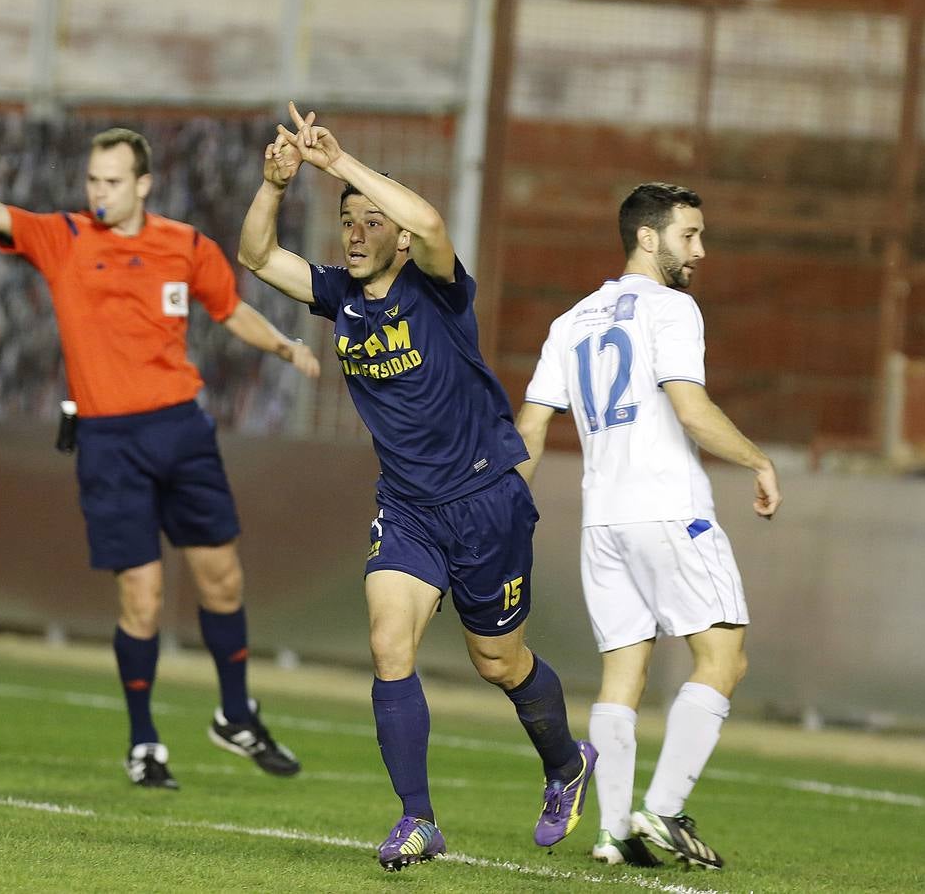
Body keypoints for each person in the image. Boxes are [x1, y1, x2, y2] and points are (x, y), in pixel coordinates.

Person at [0, 127, 319, 790]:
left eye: (110, 181)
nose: (97, 191)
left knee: (223, 580)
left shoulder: (186, 245)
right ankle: (144, 742)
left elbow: (231, 310)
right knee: (143, 597)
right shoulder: (64, 238)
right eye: (92, 180)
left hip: (183, 432)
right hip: (109, 442)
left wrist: (283, 346)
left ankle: (237, 713)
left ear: (143, 184)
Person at [238, 103, 595, 872]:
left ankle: (566, 763)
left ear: (398, 236)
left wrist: (345, 167)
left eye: (373, 221)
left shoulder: (437, 289)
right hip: (407, 509)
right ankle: (418, 819)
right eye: (347, 221)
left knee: (498, 663)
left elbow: (431, 223)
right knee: (387, 644)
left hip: (485, 502)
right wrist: (275, 185)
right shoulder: (338, 296)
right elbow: (259, 256)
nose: (357, 232)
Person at [515, 182, 782, 870]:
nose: (700, 249)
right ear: (647, 237)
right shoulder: (672, 309)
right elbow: (690, 412)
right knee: (724, 657)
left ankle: (611, 833)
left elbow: (533, 427)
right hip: (668, 511)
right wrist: (757, 459)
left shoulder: (571, 320)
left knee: (621, 677)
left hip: (603, 521)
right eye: (689, 235)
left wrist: (507, 510)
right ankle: (660, 812)